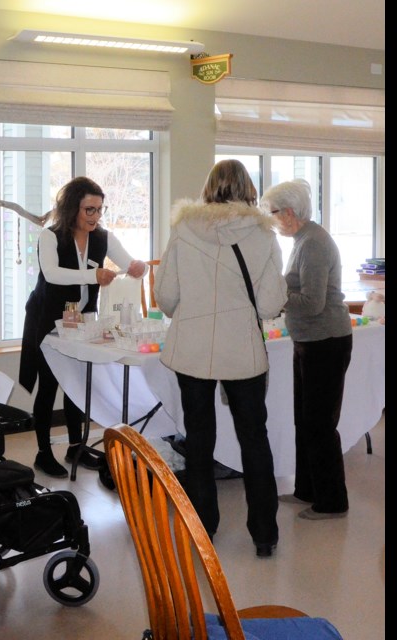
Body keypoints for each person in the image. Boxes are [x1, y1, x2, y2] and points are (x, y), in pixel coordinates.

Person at [154, 159, 287, 558]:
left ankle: (202, 530)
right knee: (254, 440)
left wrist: (194, 309)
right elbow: (268, 305)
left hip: (191, 349)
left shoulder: (182, 229)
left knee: (198, 441)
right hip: (241, 350)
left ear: (210, 187)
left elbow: (166, 298)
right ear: (248, 188)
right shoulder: (264, 235)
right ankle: (264, 534)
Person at [20, 176, 147, 478]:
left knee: (78, 383)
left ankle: (76, 445)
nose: (95, 216)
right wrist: (93, 277)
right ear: (72, 208)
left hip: (82, 320)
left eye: (99, 209)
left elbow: (128, 262)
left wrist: (137, 267)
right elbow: (51, 274)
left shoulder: (103, 237)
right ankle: (42, 452)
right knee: (48, 385)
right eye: (89, 210)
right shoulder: (50, 236)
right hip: (47, 319)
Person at [261, 179, 352, 520]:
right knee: (305, 420)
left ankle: (332, 502)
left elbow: (313, 303)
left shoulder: (314, 243)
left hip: (326, 341)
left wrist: (276, 297)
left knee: (319, 423)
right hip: (310, 342)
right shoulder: (302, 240)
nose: (271, 221)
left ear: (288, 212)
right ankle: (307, 490)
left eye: (272, 214)